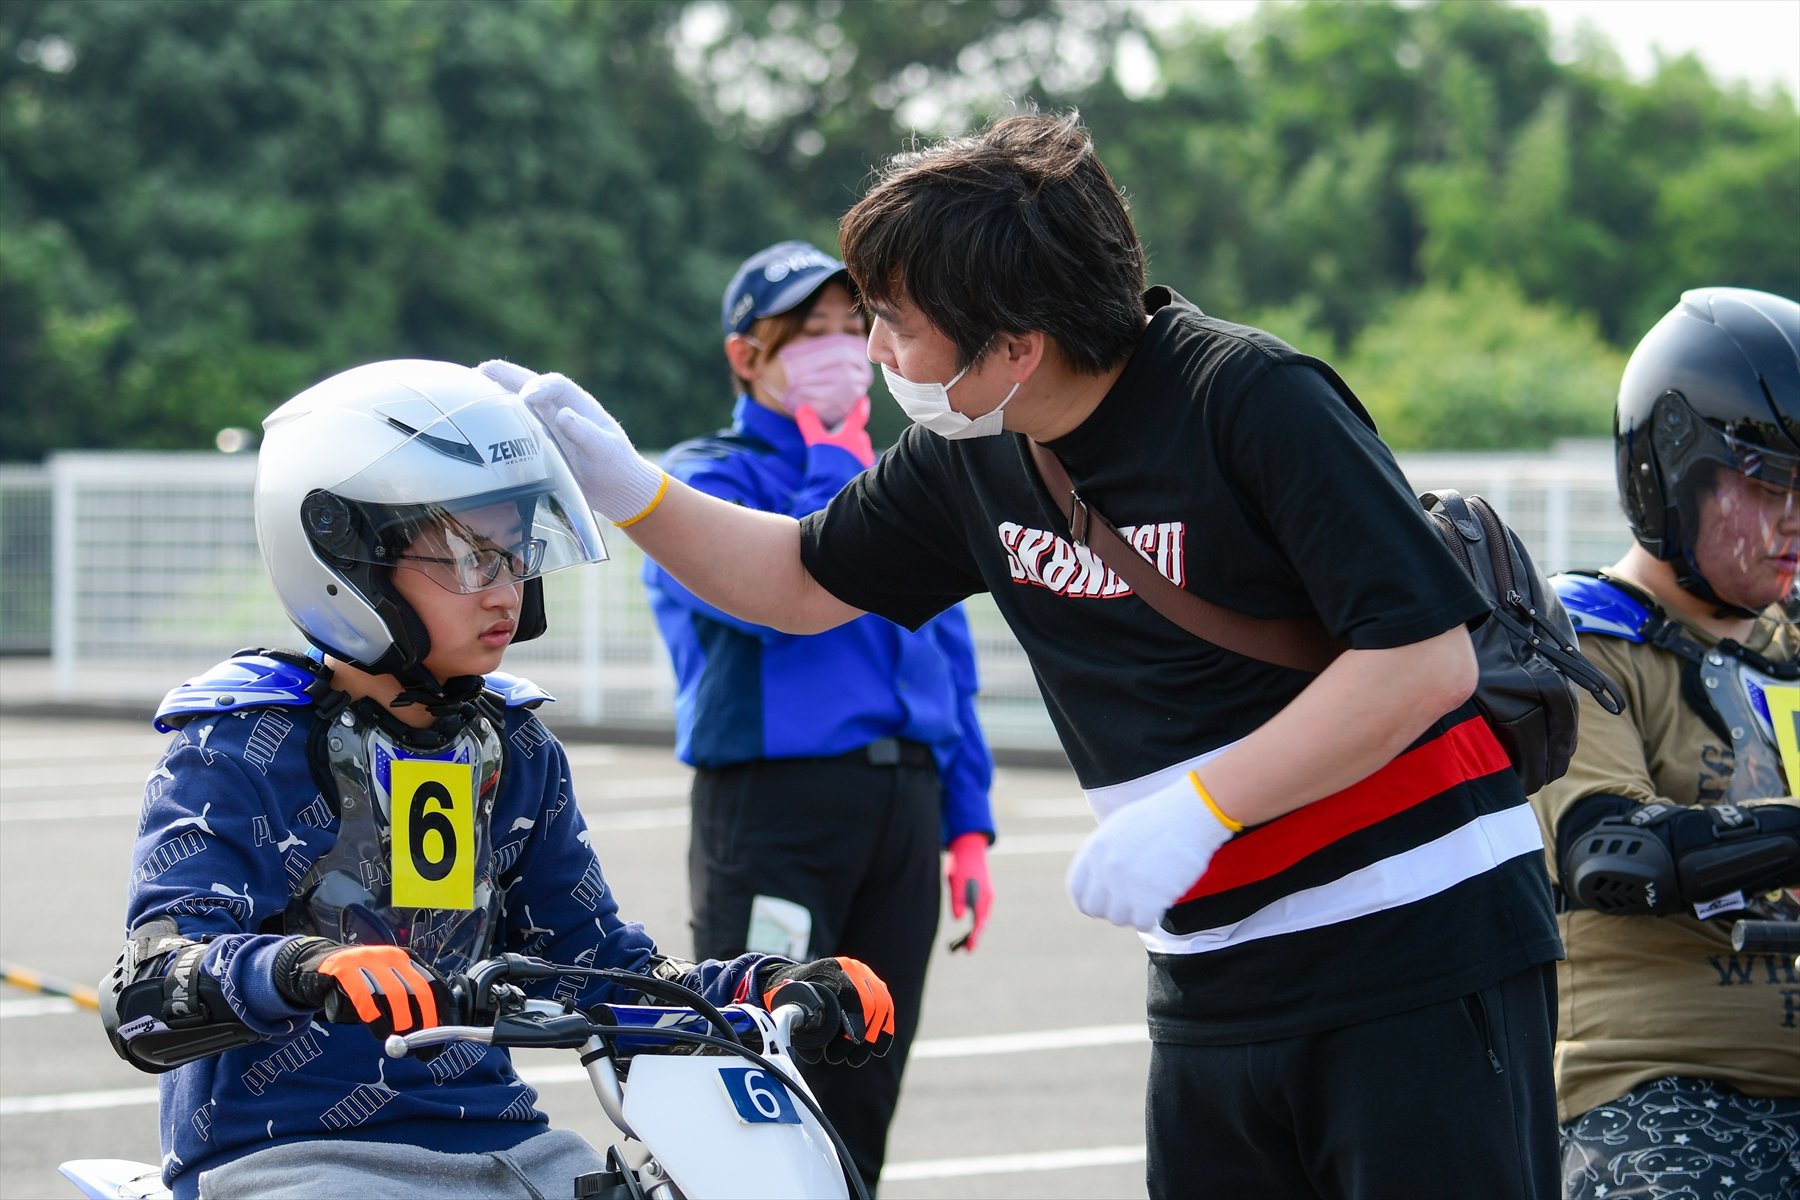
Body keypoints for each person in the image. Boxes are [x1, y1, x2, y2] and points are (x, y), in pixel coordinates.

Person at [486, 111, 1563, 1198]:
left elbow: (1424, 660)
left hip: (1418, 941)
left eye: (895, 324)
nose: (873, 354)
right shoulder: (972, 451)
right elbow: (800, 580)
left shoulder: (1248, 397)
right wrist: (630, 488)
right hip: (1211, 969)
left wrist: (1205, 808)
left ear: (1014, 345)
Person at [99, 359, 896, 1200]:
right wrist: (303, 966)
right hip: (293, 1159)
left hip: (507, 1148)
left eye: (515, 556)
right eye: (468, 559)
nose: (505, 593)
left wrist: (757, 986)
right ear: (345, 553)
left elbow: (595, 961)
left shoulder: (512, 747)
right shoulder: (237, 743)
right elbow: (151, 986)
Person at [638, 240, 996, 1190]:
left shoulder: (899, 477)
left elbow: (946, 657)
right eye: (810, 333)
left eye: (854, 326)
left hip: (902, 806)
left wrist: (967, 823)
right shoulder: (703, 481)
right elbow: (765, 603)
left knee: (867, 1070)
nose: (841, 349)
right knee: (763, 1070)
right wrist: (831, 462)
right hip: (778, 808)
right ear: (747, 356)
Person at [1534, 287, 1800, 1200]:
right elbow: (1613, 850)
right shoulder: (1578, 637)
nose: (1796, 518)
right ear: (1672, 476)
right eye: (1769, 485)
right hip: (1650, 1088)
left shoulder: (1793, 643)